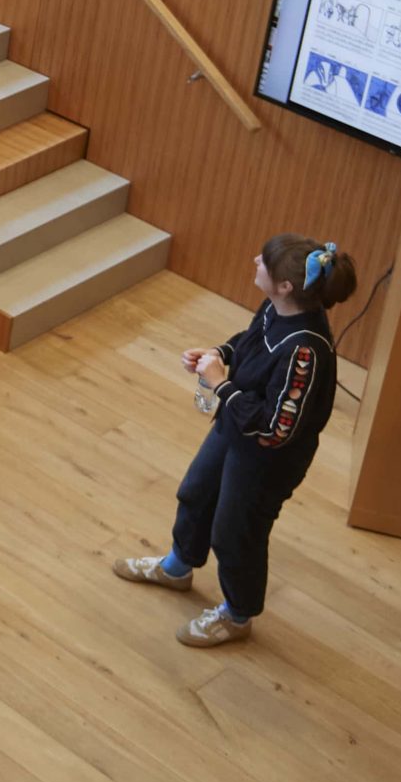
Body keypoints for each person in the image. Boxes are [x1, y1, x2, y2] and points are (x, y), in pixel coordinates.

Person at [114, 235, 358, 647]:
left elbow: (275, 429)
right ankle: (177, 568)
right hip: (236, 426)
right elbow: (250, 341)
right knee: (196, 492)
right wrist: (221, 353)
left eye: (265, 262)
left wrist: (220, 386)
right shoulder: (275, 307)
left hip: (268, 458)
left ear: (285, 286)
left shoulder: (305, 352)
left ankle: (238, 614)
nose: (255, 259)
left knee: (236, 532)